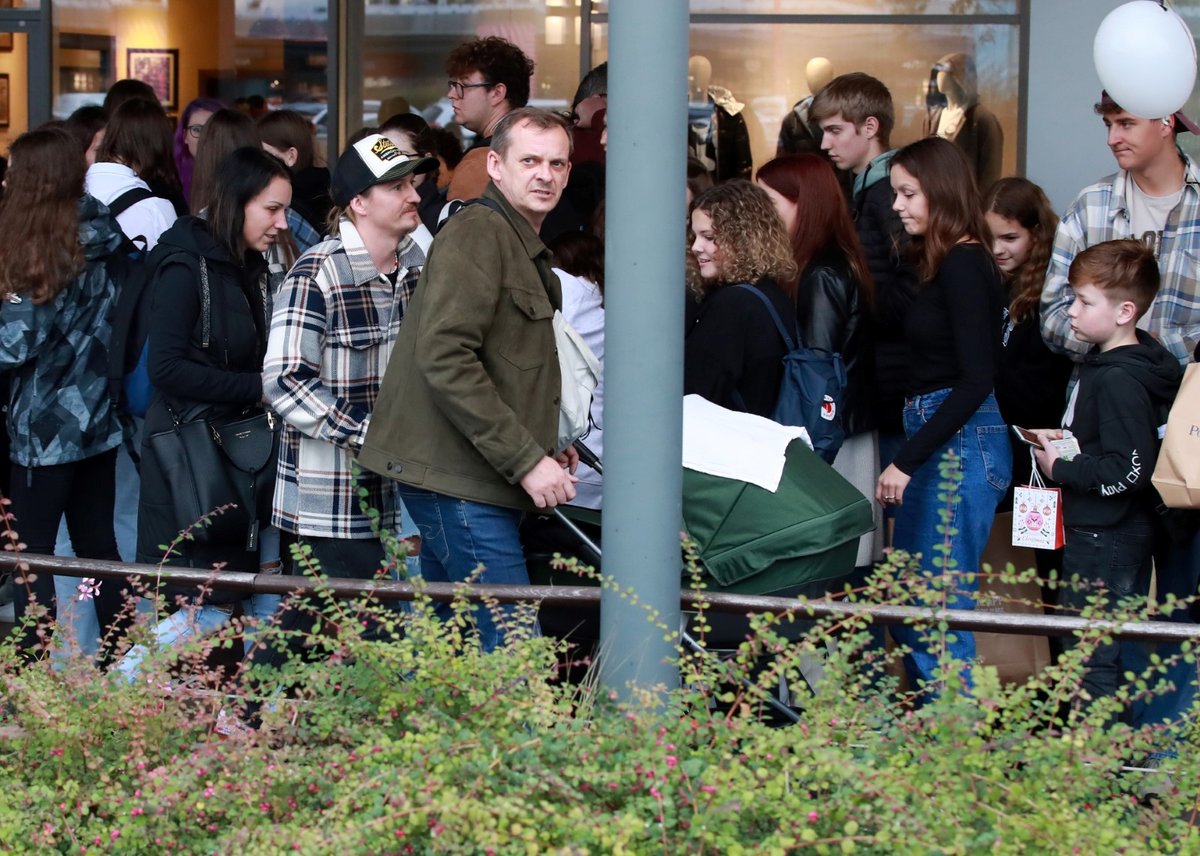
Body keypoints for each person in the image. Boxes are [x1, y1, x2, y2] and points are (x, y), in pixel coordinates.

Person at [359, 107, 579, 652]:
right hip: (459, 479)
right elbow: (446, 356)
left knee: (443, 652)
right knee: (512, 651)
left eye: (557, 162)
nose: (544, 174)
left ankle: (397, 737)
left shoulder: (516, 241)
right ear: (496, 166)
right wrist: (526, 459)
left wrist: (544, 441)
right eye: (530, 160)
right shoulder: (481, 231)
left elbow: (499, 362)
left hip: (464, 477)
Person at [124, 147, 291, 679]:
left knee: (252, 586)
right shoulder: (184, 262)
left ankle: (240, 713)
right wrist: (259, 388)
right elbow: (167, 367)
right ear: (237, 202)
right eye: (272, 209)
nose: (282, 223)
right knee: (204, 601)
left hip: (245, 450)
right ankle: (112, 693)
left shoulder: (253, 264)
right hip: (192, 454)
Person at [876, 136, 1012, 695]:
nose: (898, 205)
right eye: (896, 193)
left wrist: (905, 461)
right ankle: (938, 740)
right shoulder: (948, 261)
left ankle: (955, 754)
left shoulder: (963, 262)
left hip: (955, 440)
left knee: (936, 606)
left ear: (940, 190)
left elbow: (977, 377)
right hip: (943, 435)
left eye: (909, 193)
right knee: (915, 597)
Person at [1030, 240, 1181, 710]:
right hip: (1114, 530)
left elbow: (1130, 469)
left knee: (1090, 654)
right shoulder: (1137, 362)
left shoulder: (1118, 377)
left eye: (1084, 301)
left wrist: (1063, 466)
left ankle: (1098, 773)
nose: (1071, 311)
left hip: (1105, 532)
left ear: (1125, 311)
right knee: (1106, 645)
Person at [0, 127, 127, 658]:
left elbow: (13, 345)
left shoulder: (41, 251)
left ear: (33, 181)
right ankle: (123, 654)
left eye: (13, 169)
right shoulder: (99, 232)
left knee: (32, 556)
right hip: (97, 421)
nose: (5, 177)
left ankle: (30, 673)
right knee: (98, 550)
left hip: (44, 430)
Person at [756, 153, 879, 571]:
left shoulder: (821, 273)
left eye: (769, 205)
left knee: (831, 561)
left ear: (803, 204)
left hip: (829, 435)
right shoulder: (832, 262)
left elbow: (817, 373)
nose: (761, 218)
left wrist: (803, 456)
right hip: (843, 426)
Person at [811, 73, 918, 543]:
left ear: (870, 126)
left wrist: (855, 316)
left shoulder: (884, 196)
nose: (824, 142)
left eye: (834, 130)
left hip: (894, 386)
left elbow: (899, 289)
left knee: (896, 531)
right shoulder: (866, 190)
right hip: (889, 383)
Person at [983, 178, 1072, 546]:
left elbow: (1042, 385)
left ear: (1036, 233)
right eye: (989, 238)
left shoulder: (1053, 293)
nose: (997, 249)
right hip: (1001, 444)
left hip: (1039, 450)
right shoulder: (991, 281)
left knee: (1037, 564)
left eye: (1009, 238)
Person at [683, 180, 798, 416]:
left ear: (742, 238)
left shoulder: (732, 305)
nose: (696, 247)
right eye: (694, 236)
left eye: (709, 237)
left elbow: (698, 393)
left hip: (730, 441)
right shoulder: (768, 291)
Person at [443, 36, 536, 203]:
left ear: (497, 93)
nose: (452, 94)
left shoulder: (481, 164)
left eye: (463, 86)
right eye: (452, 85)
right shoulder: (539, 149)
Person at [257, 108, 332, 252]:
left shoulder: (286, 210)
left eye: (265, 154)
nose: (257, 163)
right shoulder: (327, 192)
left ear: (291, 156)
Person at [174, 98, 224, 207]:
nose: (204, 138)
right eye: (197, 130)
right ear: (185, 136)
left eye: (212, 130)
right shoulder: (172, 180)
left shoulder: (237, 177)